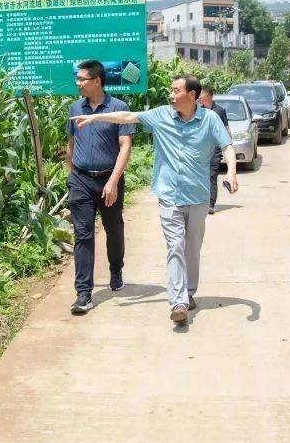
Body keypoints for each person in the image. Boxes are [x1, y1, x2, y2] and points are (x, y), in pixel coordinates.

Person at [72, 75, 237, 326]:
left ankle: (189, 291)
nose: (170, 95)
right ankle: (178, 301)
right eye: (171, 90)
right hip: (169, 194)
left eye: (175, 90)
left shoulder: (210, 119)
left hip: (198, 196)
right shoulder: (161, 115)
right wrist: (96, 117)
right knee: (175, 247)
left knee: (192, 248)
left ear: (191, 96)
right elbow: (129, 117)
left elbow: (227, 147)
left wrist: (232, 173)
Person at [65, 60, 134, 315]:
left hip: (109, 179)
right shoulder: (74, 108)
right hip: (81, 180)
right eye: (78, 79)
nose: (78, 83)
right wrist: (72, 176)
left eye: (82, 79)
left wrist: (114, 180)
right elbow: (70, 145)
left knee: (113, 229)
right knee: (83, 234)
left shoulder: (118, 108)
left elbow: (125, 145)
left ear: (97, 81)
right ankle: (83, 293)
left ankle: (116, 268)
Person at [198, 86, 231, 214]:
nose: (199, 98)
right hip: (200, 149)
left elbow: (227, 129)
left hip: (215, 149)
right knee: (201, 176)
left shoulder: (220, 111)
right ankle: (200, 202)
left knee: (212, 176)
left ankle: (210, 205)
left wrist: (228, 148)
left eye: (201, 95)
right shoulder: (198, 111)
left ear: (208, 96)